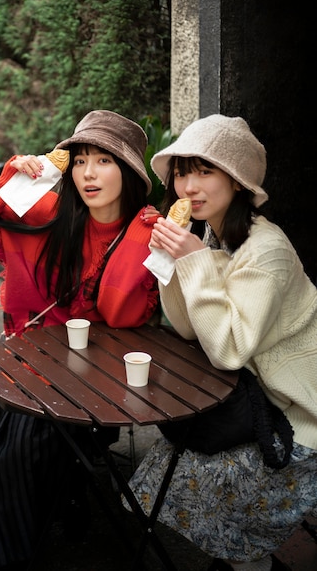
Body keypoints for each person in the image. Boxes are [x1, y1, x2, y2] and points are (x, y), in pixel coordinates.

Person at [0, 109, 159, 570]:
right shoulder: (48, 211)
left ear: (127, 171)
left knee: (25, 442)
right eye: (80, 159)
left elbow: (120, 314)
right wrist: (16, 179)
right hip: (33, 360)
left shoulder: (145, 230)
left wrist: (137, 241)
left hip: (98, 372)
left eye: (104, 161)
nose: (88, 173)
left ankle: (22, 536)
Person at [125, 114, 317, 571]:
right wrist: (174, 262)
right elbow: (191, 328)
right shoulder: (215, 234)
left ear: (238, 181)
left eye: (204, 171)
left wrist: (194, 263)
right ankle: (240, 555)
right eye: (182, 172)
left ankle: (250, 559)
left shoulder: (264, 249)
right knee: (164, 463)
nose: (189, 186)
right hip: (254, 399)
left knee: (196, 477)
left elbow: (227, 349)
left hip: (300, 417)